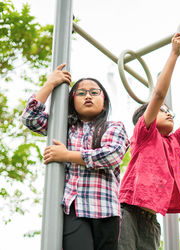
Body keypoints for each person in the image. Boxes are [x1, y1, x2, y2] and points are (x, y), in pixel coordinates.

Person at [118, 33, 180, 250]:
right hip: (128, 212)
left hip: (151, 219)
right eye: (163, 111)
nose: (169, 113)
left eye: (170, 111)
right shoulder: (145, 134)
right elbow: (159, 94)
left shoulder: (175, 143)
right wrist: (174, 53)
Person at [21, 64, 129, 250]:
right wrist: (50, 84)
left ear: (104, 101)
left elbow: (112, 155)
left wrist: (67, 155)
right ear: (72, 101)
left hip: (105, 209)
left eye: (94, 92)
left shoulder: (113, 126)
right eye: (81, 93)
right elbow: (30, 118)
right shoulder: (63, 127)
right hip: (74, 207)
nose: (88, 96)